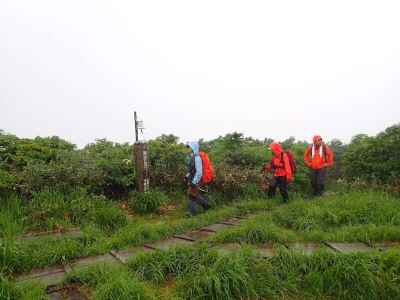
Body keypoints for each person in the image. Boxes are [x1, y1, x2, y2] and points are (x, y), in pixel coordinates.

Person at [185, 142, 210, 215]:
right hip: (192, 179)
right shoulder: (192, 157)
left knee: (191, 195)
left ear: (193, 148)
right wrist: (186, 176)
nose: (188, 149)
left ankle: (192, 213)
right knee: (193, 195)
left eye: (189, 147)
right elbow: (192, 170)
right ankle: (206, 206)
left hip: (195, 180)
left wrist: (194, 182)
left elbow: (199, 172)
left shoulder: (197, 158)